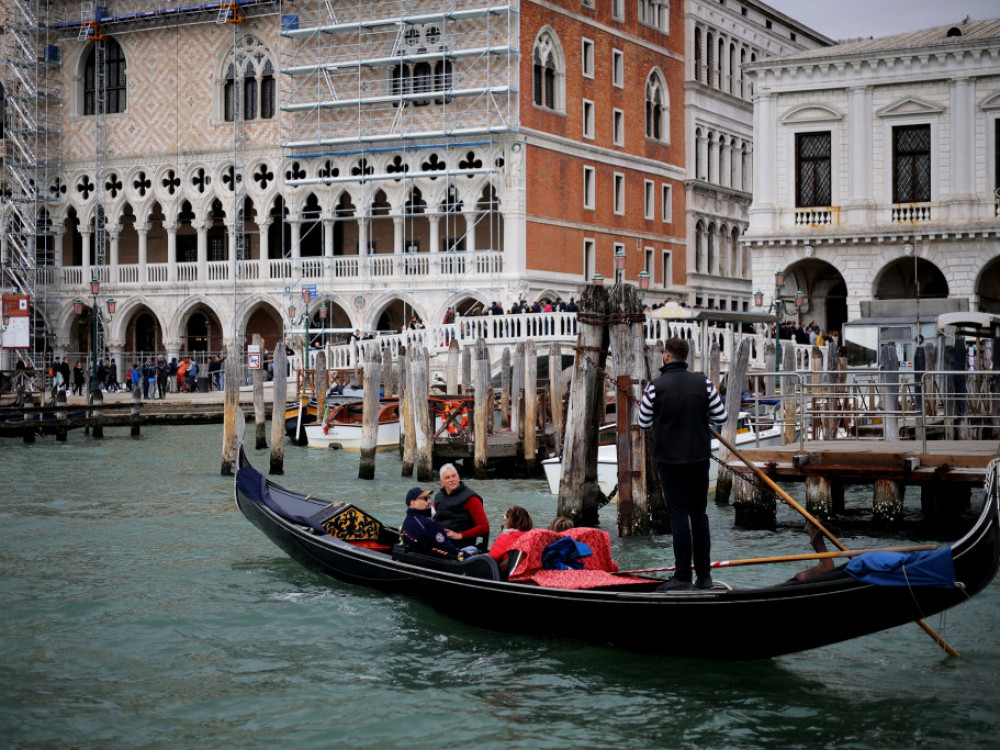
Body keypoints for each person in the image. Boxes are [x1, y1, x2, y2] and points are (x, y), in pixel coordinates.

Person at [639, 336, 726, 592]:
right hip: (698, 457)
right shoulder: (704, 383)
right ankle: (705, 577)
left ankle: (682, 577)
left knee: (678, 516)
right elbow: (720, 416)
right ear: (686, 357)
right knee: (699, 515)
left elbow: (643, 422)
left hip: (669, 460)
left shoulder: (655, 387)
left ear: (666, 356)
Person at [400, 487, 475, 560]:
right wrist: (466, 554)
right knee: (475, 551)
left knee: (472, 549)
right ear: (413, 503)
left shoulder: (408, 520)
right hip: (442, 561)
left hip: (424, 556)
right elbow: (447, 549)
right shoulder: (427, 523)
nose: (429, 501)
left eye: (429, 497)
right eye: (425, 499)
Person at [433, 463, 490, 549]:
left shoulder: (471, 499)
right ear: (441, 482)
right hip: (440, 540)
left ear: (459, 478)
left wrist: (460, 535)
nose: (451, 479)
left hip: (461, 545)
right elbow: (431, 519)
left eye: (453, 476)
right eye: (447, 478)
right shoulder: (438, 497)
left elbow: (484, 527)